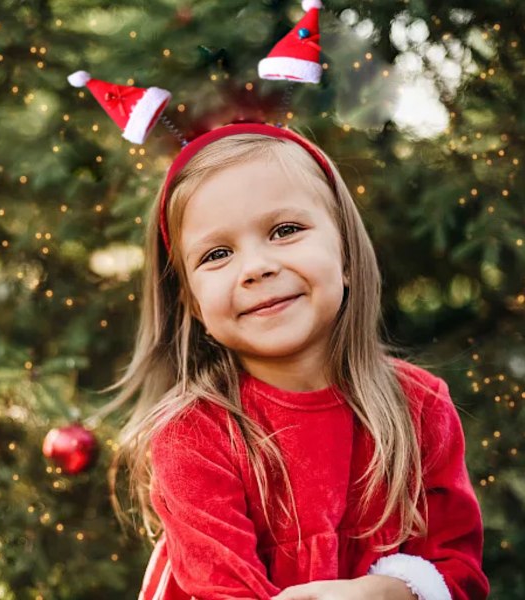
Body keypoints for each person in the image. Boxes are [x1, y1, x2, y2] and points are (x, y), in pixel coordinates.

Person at [98, 122, 490, 600]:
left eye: (285, 230)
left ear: (345, 254)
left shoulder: (420, 407)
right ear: (194, 305)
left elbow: (457, 567)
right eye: (218, 254)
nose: (256, 267)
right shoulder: (192, 435)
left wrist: (394, 592)